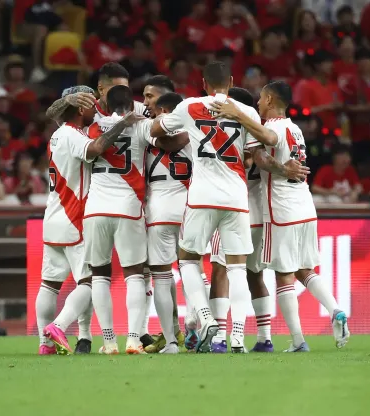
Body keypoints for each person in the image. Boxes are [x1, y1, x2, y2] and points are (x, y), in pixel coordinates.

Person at [150, 61, 307, 352]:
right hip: (236, 197)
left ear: (203, 83)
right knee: (237, 269)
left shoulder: (189, 106)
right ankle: (237, 337)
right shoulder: (246, 111)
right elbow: (267, 142)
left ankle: (207, 319)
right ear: (232, 80)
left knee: (186, 259)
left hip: (202, 196)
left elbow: (155, 128)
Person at [216, 81, 350, 352]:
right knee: (305, 270)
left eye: (260, 100)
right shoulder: (296, 128)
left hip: (281, 209)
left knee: (284, 275)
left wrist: (237, 115)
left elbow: (266, 150)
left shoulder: (271, 128)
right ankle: (335, 309)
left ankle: (299, 340)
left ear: (267, 99)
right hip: (305, 206)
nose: (257, 104)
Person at [38, 85, 140, 355]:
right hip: (74, 217)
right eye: (92, 104)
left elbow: (55, 115)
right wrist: (123, 124)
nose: (96, 109)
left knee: (49, 284)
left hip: (51, 217)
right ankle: (59, 326)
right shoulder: (73, 135)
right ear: (80, 108)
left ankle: (45, 344)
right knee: (91, 280)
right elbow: (95, 149)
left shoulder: (57, 135)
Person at [84, 85, 158, 355]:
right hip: (128, 208)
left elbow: (92, 151)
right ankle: (134, 339)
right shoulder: (143, 125)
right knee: (135, 275)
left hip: (96, 209)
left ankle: (108, 341)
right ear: (133, 103)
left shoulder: (94, 126)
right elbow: (166, 140)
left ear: (105, 102)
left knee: (100, 275)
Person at [207, 87, 264, 353]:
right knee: (251, 273)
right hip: (255, 210)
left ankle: (220, 335)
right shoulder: (257, 133)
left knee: (222, 271)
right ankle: (261, 337)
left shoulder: (227, 133)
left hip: (230, 205)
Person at [140, 89, 193, 354]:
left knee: (161, 277)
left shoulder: (145, 131)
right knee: (193, 270)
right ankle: (197, 328)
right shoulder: (195, 134)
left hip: (158, 209)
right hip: (189, 207)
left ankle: (171, 341)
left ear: (163, 111)